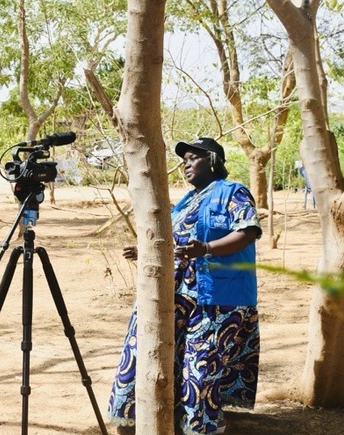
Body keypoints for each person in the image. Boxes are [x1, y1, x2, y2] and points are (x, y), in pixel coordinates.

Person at [107, 137, 261, 435]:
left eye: (193, 158)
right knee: (156, 358)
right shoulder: (187, 200)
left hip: (217, 298)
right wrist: (145, 251)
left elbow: (248, 232)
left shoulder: (233, 192)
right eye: (184, 160)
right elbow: (173, 243)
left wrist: (206, 248)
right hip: (176, 297)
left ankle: (200, 429)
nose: (186, 164)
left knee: (200, 370)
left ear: (213, 160)